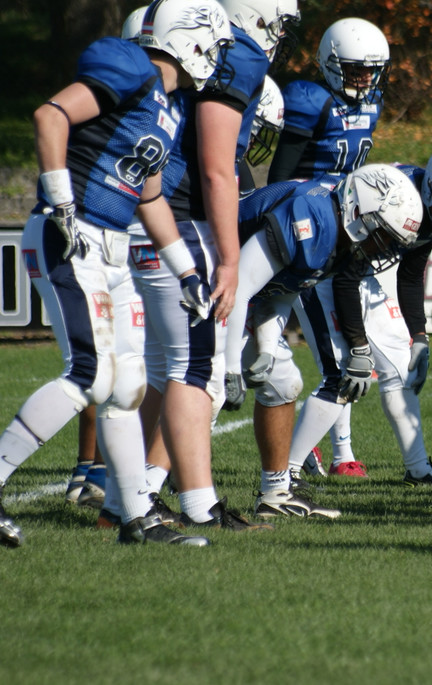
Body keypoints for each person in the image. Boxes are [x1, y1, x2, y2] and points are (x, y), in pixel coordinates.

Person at [0, 0, 237, 548]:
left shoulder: (169, 106)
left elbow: (148, 195)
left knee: (128, 384)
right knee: (90, 374)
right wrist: (59, 197)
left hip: (112, 245)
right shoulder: (133, 68)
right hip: (72, 231)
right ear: (192, 36)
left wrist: (185, 271)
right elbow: (50, 115)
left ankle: (137, 518)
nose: (218, 58)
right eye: (216, 43)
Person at [129, 0, 300, 532]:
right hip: (180, 220)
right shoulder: (241, 53)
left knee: (163, 370)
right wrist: (230, 258)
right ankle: (196, 503)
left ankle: (134, 494)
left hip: (146, 211)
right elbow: (217, 168)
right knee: (192, 371)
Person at [284, 143, 432, 486]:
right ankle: (285, 471)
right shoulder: (399, 199)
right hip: (320, 264)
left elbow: (410, 274)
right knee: (342, 375)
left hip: (356, 271)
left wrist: (420, 337)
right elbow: (346, 276)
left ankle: (418, 468)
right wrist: (359, 346)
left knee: (402, 369)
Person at [222, 163, 423, 516]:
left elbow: (280, 290)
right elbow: (237, 285)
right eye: (385, 236)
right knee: (202, 387)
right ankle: (154, 493)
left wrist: (267, 348)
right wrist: (228, 368)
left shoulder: (341, 242)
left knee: (284, 383)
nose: (385, 249)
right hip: (208, 286)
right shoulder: (315, 221)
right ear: (360, 213)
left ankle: (274, 495)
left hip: (240, 297)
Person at [267, 17, 389, 184]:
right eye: (356, 70)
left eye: (372, 70)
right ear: (333, 63)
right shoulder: (312, 100)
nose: (367, 78)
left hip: (349, 197)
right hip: (308, 199)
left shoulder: (373, 102)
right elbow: (280, 176)